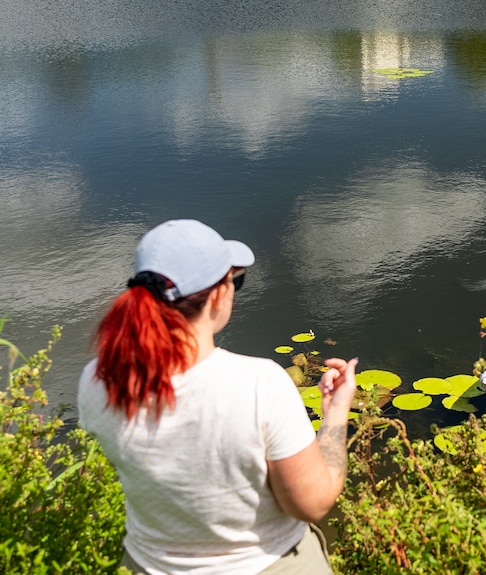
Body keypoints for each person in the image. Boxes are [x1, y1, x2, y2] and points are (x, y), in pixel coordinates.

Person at [77, 219, 357, 575]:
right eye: (234, 281)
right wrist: (335, 413)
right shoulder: (259, 383)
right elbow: (311, 503)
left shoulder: (98, 380)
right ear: (217, 296)